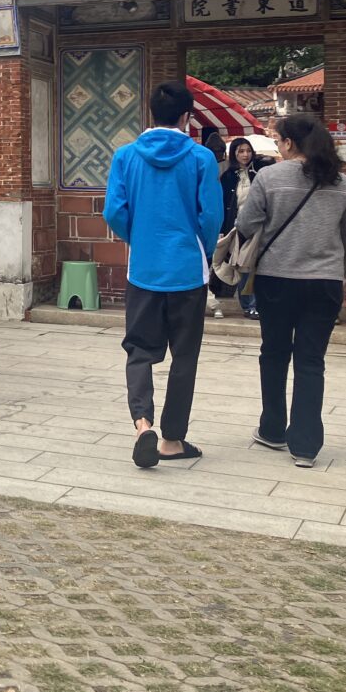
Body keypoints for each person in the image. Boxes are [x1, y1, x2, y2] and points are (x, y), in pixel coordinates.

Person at [235, 115, 346, 468]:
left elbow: (246, 224)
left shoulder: (269, 177)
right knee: (311, 361)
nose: (278, 147)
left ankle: (272, 429)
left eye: (279, 141)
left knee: (274, 353)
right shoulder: (341, 183)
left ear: (289, 143)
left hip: (276, 279)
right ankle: (306, 447)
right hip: (325, 283)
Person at [103, 81, 223, 469]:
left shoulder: (125, 156)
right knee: (184, 356)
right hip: (188, 271)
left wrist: (138, 238)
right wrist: (202, 249)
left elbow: (113, 212)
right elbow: (211, 216)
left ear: (150, 113)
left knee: (139, 351)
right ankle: (172, 440)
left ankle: (142, 425)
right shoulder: (202, 158)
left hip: (144, 270)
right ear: (187, 117)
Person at [219, 137, 269, 319]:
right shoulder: (228, 176)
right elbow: (223, 203)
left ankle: (256, 304)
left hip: (260, 225)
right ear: (234, 154)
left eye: (248, 150)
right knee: (243, 266)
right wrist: (222, 229)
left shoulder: (260, 173)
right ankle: (247, 304)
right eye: (241, 151)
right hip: (237, 228)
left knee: (257, 265)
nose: (245, 155)